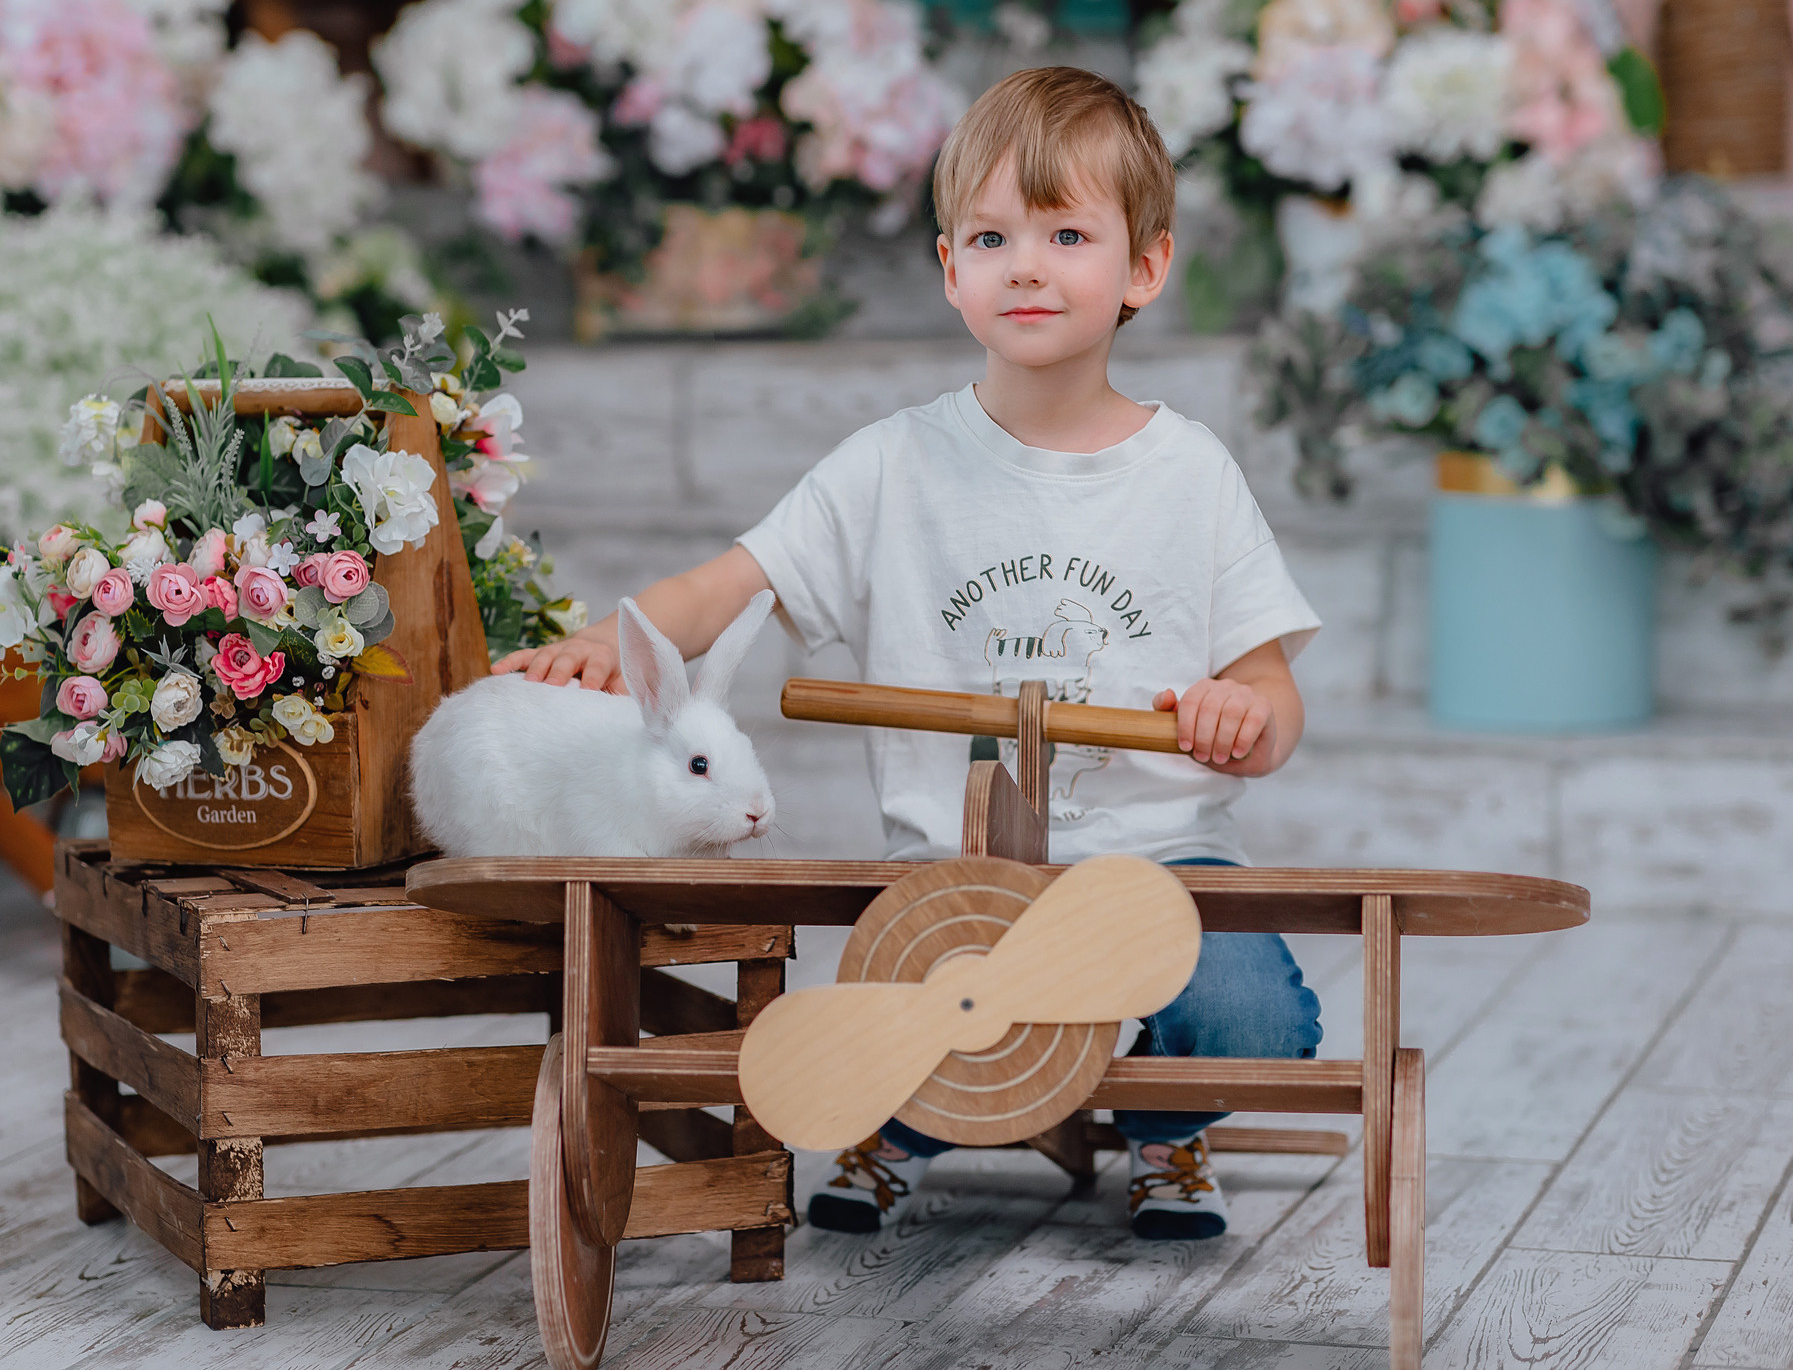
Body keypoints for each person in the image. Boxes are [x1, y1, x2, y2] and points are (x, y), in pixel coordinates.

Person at [494, 67, 1323, 1242]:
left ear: (1143, 267)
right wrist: (604, 638)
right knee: (909, 1001)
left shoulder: (1189, 475)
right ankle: (904, 1124)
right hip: (953, 877)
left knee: (1254, 1015)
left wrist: (1247, 715)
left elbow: (1272, 685)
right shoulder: (891, 465)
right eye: (990, 237)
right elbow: (729, 583)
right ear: (948, 269)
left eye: (1066, 234)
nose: (1024, 265)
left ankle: (1164, 1128)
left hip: (1155, 866)